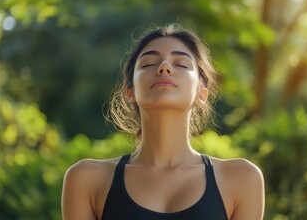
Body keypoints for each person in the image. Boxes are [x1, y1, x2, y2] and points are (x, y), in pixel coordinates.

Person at [61, 24, 265, 220]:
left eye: (181, 64)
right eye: (148, 63)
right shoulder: (87, 179)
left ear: (202, 94)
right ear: (130, 91)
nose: (164, 67)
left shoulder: (242, 179)